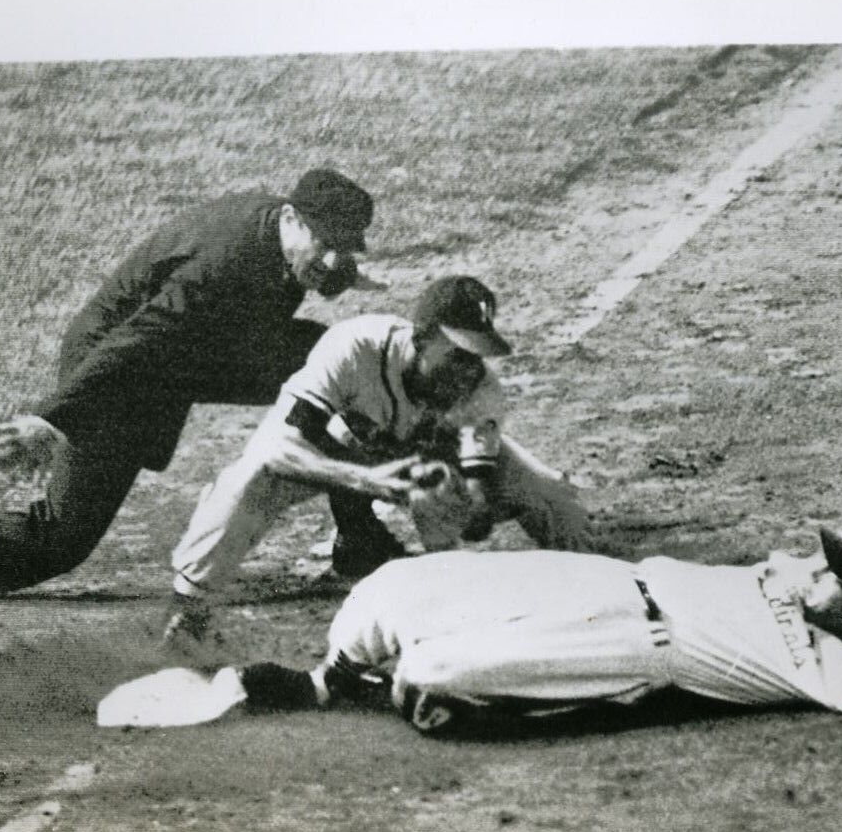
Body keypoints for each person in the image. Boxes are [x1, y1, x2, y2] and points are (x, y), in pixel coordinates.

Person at [0, 167, 399, 609]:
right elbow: (138, 339)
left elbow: (305, 279)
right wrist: (54, 417)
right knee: (60, 539)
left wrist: (343, 272)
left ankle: (359, 538)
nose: (333, 259)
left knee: (331, 367)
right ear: (290, 218)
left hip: (186, 358)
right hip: (119, 373)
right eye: (326, 243)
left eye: (346, 248)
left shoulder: (278, 238)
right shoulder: (222, 266)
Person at [100, 499, 842, 738]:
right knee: (391, 593)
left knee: (435, 675)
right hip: (596, 577)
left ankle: (433, 699)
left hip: (621, 648)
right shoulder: (804, 575)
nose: (810, 565)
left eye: (831, 574)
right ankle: (316, 682)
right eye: (822, 555)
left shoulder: (811, 656)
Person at [162, 274, 591, 651]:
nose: (468, 369)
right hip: (339, 450)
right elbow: (277, 447)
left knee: (550, 495)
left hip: (416, 457)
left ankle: (599, 592)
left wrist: (469, 507)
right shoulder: (356, 347)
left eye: (477, 354)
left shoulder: (481, 391)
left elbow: (471, 499)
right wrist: (364, 478)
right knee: (250, 478)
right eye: (457, 352)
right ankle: (190, 612)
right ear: (420, 338)